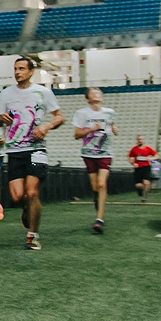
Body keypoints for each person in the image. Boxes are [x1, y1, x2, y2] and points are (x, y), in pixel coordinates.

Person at [0, 57, 64, 250]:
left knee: (32, 192)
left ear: (31, 71)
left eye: (22, 69)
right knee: (18, 197)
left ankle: (33, 236)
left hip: (36, 149)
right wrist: (2, 118)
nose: (17, 72)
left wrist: (46, 126)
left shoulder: (43, 92)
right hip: (14, 150)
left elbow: (59, 117)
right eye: (15, 69)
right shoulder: (6, 93)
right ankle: (27, 209)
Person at [73, 88, 117, 233]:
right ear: (87, 99)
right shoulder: (81, 113)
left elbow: (111, 124)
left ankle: (99, 219)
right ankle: (97, 202)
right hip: (89, 153)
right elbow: (76, 135)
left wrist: (114, 128)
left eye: (99, 93)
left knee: (102, 183)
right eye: (93, 92)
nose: (97, 94)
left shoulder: (109, 112)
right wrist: (92, 129)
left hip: (105, 152)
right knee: (95, 187)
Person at [129, 135, 158, 202]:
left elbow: (156, 156)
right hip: (138, 168)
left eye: (141, 139)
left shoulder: (148, 149)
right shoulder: (134, 149)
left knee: (147, 183)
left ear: (143, 140)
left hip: (146, 167)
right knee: (138, 185)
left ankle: (144, 197)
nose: (140, 141)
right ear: (137, 140)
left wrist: (151, 158)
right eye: (139, 139)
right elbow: (130, 158)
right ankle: (141, 193)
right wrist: (133, 163)